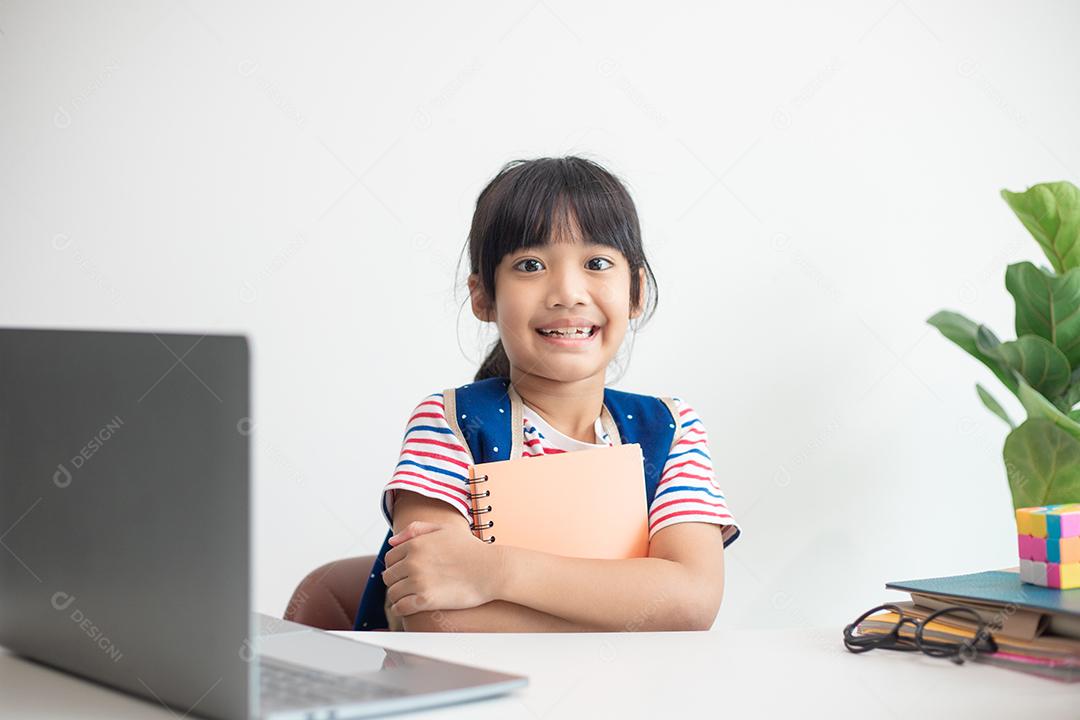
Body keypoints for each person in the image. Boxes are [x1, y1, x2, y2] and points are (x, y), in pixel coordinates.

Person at [353, 156, 741, 632]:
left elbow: (693, 601)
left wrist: (495, 571)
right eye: (530, 265)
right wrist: (633, 613)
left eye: (597, 263)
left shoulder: (671, 429)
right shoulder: (450, 422)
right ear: (483, 296)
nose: (567, 292)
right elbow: (437, 617)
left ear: (636, 291)